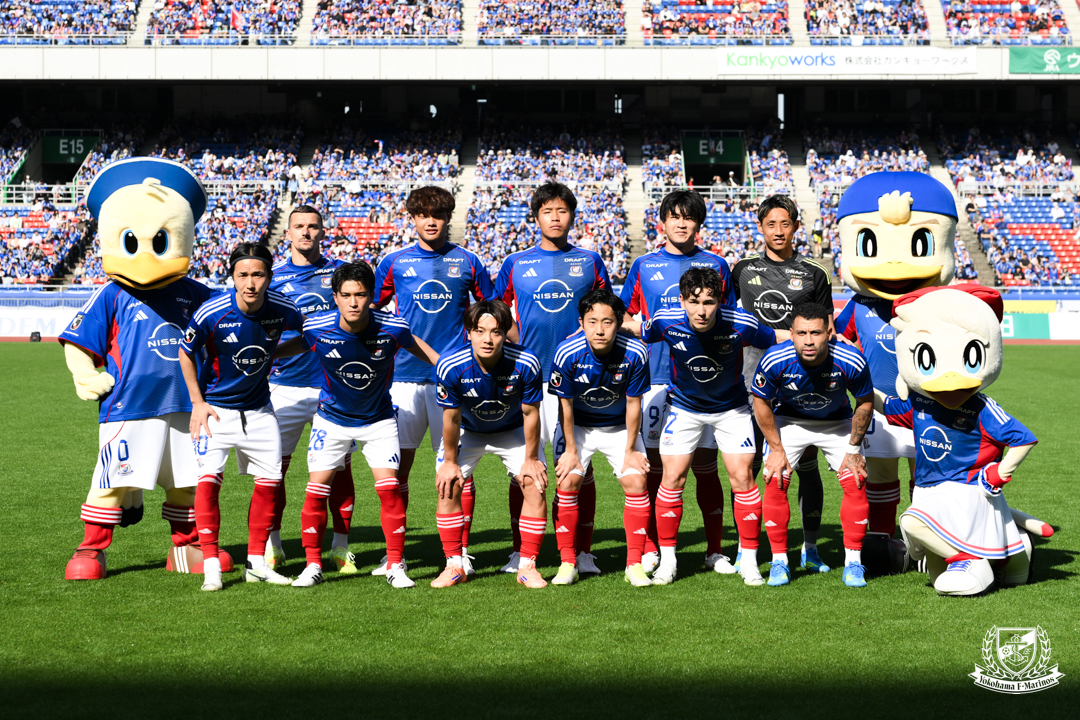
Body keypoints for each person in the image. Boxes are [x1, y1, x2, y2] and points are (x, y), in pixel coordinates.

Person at [276, 262, 439, 589]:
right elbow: (300, 343)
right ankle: (312, 565)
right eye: (347, 295)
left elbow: (415, 344)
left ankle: (395, 565)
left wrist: (445, 366)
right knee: (316, 491)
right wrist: (271, 355)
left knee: (389, 490)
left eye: (361, 295)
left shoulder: (393, 327)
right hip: (331, 420)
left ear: (371, 296)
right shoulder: (317, 327)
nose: (353, 302)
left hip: (379, 421)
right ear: (335, 297)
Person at [629, 267, 781, 586]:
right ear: (682, 300)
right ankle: (668, 562)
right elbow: (636, 328)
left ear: (720, 302)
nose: (702, 310)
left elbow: (777, 338)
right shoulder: (665, 320)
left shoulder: (742, 323)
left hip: (732, 409)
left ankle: (749, 562)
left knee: (742, 478)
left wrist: (818, 338)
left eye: (709, 302)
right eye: (694, 302)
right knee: (672, 478)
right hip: (684, 408)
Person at [374, 186, 495, 576]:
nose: (431, 221)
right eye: (423, 214)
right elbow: (372, 311)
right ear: (412, 218)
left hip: (455, 382)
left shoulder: (469, 261)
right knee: (398, 470)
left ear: (448, 218)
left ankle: (460, 553)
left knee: (457, 470)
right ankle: (395, 553)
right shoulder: (394, 262)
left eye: (438, 215)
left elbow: (492, 311)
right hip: (404, 379)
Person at [494, 182, 610, 574]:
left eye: (562, 210)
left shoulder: (590, 260)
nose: (555, 218)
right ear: (536, 217)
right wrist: (518, 346)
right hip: (530, 380)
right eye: (548, 211)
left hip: (577, 381)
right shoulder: (516, 262)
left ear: (572, 216)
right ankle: (519, 551)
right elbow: (497, 313)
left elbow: (605, 311)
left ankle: (581, 552)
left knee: (578, 468)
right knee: (523, 469)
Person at [620, 189, 737, 575]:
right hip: (655, 379)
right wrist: (643, 333)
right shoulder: (643, 265)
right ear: (663, 222)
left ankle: (715, 550)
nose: (682, 224)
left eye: (689, 217)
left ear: (698, 223)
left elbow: (728, 320)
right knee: (658, 468)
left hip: (705, 381)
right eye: (675, 216)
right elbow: (625, 315)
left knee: (706, 466)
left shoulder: (716, 265)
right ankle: (654, 547)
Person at [179, 243, 305, 592]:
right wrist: (197, 402)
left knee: (270, 484)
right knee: (208, 484)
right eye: (243, 275)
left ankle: (256, 565)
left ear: (270, 276)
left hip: (261, 411)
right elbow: (185, 352)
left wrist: (274, 353)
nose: (251, 283)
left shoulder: (284, 308)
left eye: (258, 275)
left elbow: (309, 337)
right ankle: (211, 568)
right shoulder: (212, 311)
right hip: (215, 413)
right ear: (232, 277)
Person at [731, 194, 834, 573]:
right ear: (760, 227)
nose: (778, 231)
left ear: (795, 227)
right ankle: (747, 548)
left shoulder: (815, 272)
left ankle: (810, 547)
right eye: (771, 224)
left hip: (799, 384)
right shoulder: (741, 270)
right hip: (748, 381)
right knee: (746, 468)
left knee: (805, 466)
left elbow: (828, 329)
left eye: (785, 224)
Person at [751, 303, 874, 589]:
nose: (809, 341)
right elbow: (760, 400)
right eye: (802, 333)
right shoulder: (774, 358)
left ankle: (853, 563)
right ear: (791, 333)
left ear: (829, 333)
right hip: (790, 420)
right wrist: (776, 449)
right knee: (774, 477)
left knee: (856, 479)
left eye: (816, 333)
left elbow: (865, 401)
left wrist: (853, 450)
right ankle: (780, 560)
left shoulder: (851, 359)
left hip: (836, 421)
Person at [432, 300, 548, 589]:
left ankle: (527, 566)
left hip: (512, 430)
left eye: (496, 332)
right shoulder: (450, 365)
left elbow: (531, 413)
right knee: (449, 484)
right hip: (469, 431)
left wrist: (531, 459)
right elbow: (451, 417)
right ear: (468, 333)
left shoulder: (526, 362)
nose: (487, 339)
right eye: (479, 331)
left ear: (506, 333)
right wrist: (449, 462)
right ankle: (454, 565)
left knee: (534, 482)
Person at [264, 205, 355, 574]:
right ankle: (273, 545)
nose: (306, 232)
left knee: (339, 470)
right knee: (274, 470)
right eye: (299, 226)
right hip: (283, 387)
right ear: (287, 233)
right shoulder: (271, 278)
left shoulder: (340, 274)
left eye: (313, 226)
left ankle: (340, 547)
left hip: (332, 387)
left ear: (322, 232)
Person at [549, 290, 653, 586]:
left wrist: (630, 450)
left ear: (619, 322)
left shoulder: (636, 352)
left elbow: (634, 404)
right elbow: (565, 406)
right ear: (581, 323)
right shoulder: (566, 352)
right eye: (592, 321)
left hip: (618, 428)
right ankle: (568, 562)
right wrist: (571, 450)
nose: (599, 329)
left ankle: (634, 564)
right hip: (578, 428)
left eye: (607, 322)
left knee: (636, 481)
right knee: (568, 480)